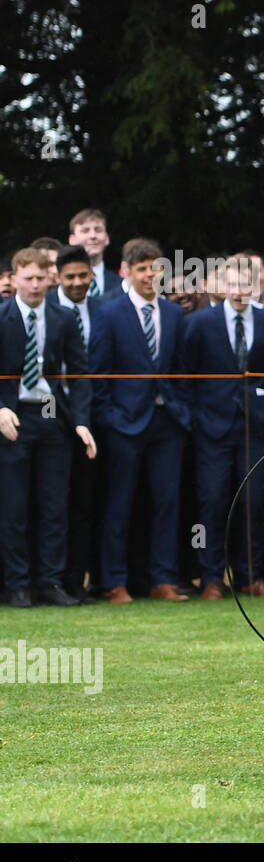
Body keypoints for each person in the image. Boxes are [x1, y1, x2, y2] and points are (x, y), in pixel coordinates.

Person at [89, 238, 192, 603]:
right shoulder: (107, 312)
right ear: (127, 272)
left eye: (156, 267)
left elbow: (180, 370)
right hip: (124, 423)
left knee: (167, 501)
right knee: (120, 502)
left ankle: (162, 578)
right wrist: (109, 418)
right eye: (142, 268)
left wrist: (182, 412)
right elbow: (98, 373)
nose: (150, 275)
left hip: (167, 421)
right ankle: (114, 581)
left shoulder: (175, 314)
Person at [183, 257, 264, 599]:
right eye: (234, 284)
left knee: (253, 503)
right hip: (212, 429)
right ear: (222, 285)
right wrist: (195, 418)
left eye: (247, 284)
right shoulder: (200, 323)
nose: (240, 291)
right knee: (212, 503)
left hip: (256, 429)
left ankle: (251, 577)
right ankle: (212, 577)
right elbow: (186, 375)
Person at [0, 248, 96, 608]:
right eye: (28, 278)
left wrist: (83, 422)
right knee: (14, 506)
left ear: (50, 278)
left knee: (55, 505)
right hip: (12, 417)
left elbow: (81, 373)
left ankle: (50, 582)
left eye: (42, 278)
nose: (36, 285)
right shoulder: (2, 316)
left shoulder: (64, 318)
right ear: (14, 279)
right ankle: (17, 584)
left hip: (53, 414)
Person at [53, 245, 105, 602]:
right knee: (53, 504)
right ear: (58, 277)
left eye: (82, 276)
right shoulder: (48, 311)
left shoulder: (105, 309)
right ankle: (48, 580)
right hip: (50, 419)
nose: (76, 283)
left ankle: (78, 581)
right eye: (69, 277)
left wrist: (85, 420)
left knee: (88, 505)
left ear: (92, 274)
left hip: (96, 418)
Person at [67, 209, 124, 300]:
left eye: (98, 230)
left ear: (107, 238)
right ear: (72, 240)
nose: (93, 236)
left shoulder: (122, 284)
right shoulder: (60, 285)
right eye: (85, 231)